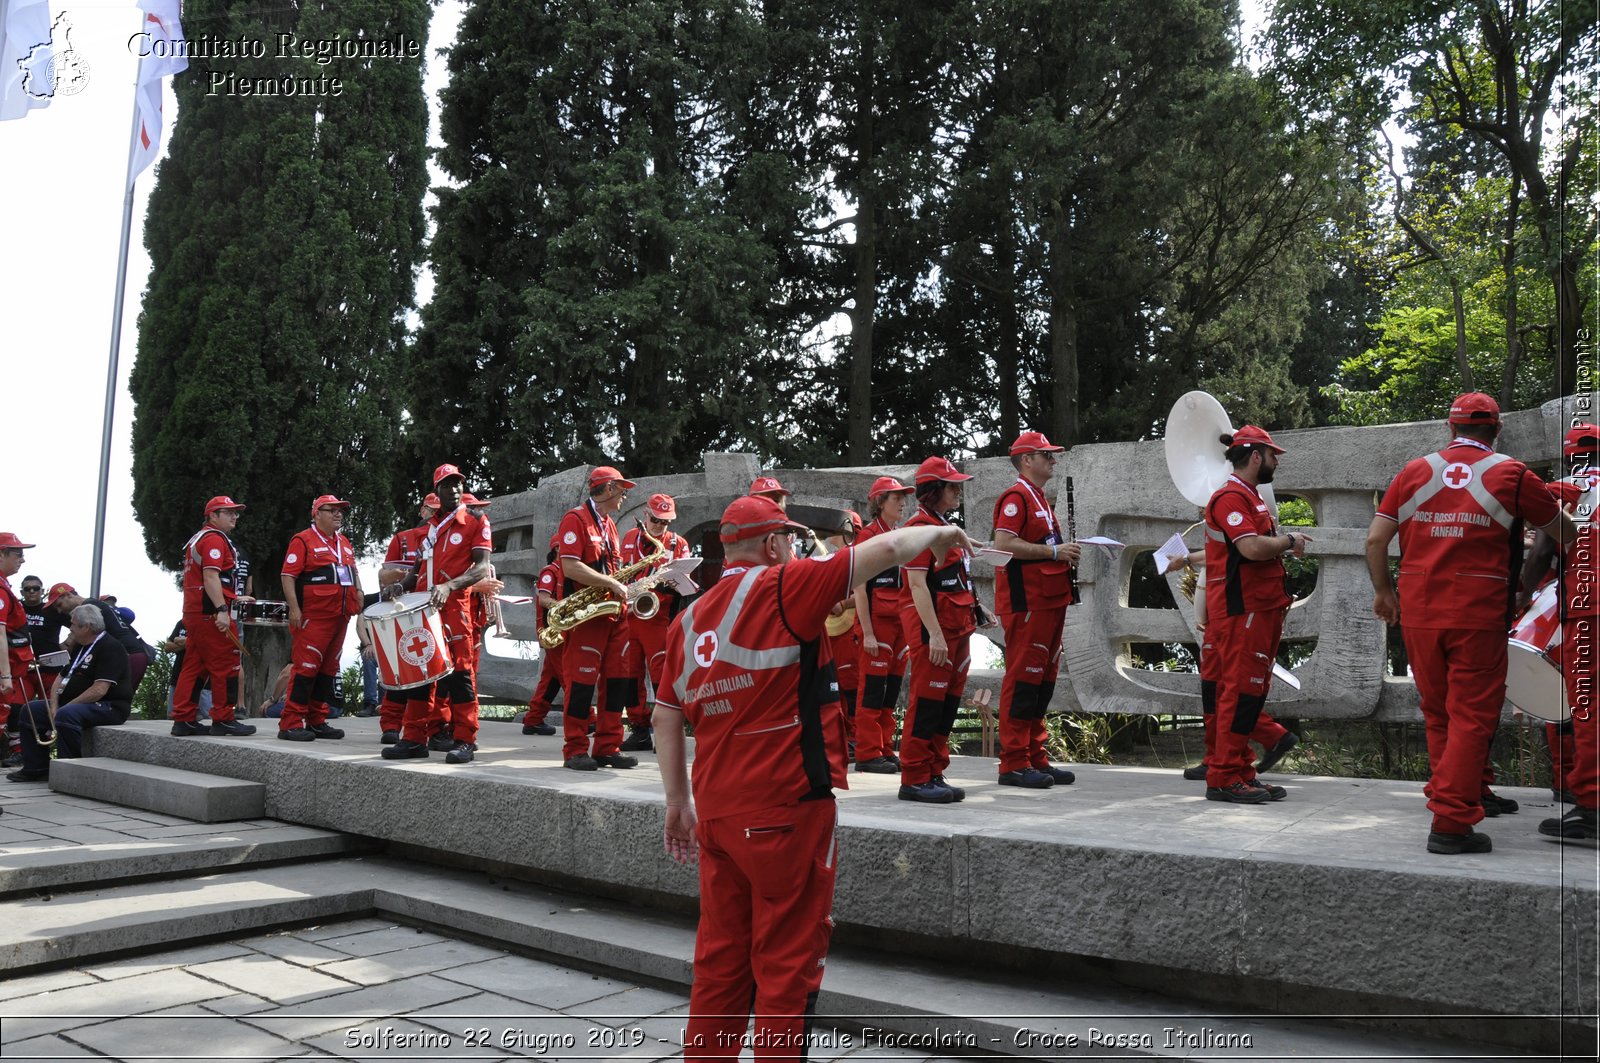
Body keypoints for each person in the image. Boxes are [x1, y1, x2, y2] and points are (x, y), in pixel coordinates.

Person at [656, 495, 973, 1062]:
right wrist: (941, 534)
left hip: (718, 817)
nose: (795, 550)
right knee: (785, 969)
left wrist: (677, 803)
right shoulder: (783, 587)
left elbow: (665, 714)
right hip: (786, 812)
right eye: (790, 542)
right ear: (773, 544)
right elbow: (889, 547)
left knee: (720, 964)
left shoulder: (686, 621)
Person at [1366, 392, 1573, 854]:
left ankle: (1451, 796)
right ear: (1496, 429)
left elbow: (1376, 540)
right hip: (1477, 609)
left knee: (1439, 711)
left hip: (1419, 610)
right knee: (1473, 716)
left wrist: (1385, 592)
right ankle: (1451, 824)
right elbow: (1565, 533)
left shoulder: (1414, 471)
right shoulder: (1512, 474)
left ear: (1450, 427)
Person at [1201, 425, 1309, 805]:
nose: (1277, 461)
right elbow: (1249, 548)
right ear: (1257, 456)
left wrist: (1281, 543)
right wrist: (1289, 541)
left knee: (1250, 693)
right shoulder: (1230, 497)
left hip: (1259, 607)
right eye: (1273, 454)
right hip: (1242, 609)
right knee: (1238, 692)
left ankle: (1240, 770)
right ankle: (1224, 776)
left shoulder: (1251, 496)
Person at [382, 465, 496, 764]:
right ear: (437, 490)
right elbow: (417, 571)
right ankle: (414, 739)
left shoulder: (475, 519)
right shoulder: (430, 527)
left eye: (458, 483)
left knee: (460, 676)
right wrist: (399, 586)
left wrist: (449, 586)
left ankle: (465, 740)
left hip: (455, 607)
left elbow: (482, 568)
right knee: (420, 674)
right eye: (448, 485)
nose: (455, 489)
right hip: (423, 608)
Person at [990, 431, 1082, 788]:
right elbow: (1004, 543)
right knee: (1024, 679)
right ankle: (1013, 762)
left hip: (1049, 598)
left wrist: (1063, 552)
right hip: (1027, 601)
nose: (1053, 460)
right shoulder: (1016, 497)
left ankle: (1034, 756)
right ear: (1026, 459)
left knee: (1042, 682)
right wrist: (1054, 553)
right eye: (1046, 455)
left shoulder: (1038, 497)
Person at [1523, 423, 1599, 842]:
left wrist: (1522, 593)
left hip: (1589, 608)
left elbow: (1545, 549)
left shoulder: (1569, 489)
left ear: (1570, 456)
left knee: (1585, 706)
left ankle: (1591, 807)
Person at [898, 456, 986, 803]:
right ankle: (915, 777)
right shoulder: (920, 528)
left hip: (956, 629)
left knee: (947, 705)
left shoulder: (943, 526)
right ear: (933, 490)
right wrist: (934, 634)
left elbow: (954, 581)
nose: (958, 491)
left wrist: (979, 609)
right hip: (934, 633)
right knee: (928, 703)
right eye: (952, 486)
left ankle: (933, 770)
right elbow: (918, 586)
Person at [555, 465, 639, 772]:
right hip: (588, 617)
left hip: (614, 614)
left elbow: (611, 569)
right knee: (581, 685)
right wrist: (610, 583)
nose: (624, 498)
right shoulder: (574, 519)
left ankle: (608, 747)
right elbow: (570, 567)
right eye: (621, 491)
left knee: (616, 683)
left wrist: (625, 585)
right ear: (606, 490)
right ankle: (575, 749)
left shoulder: (610, 525)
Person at [9, 604, 132, 782]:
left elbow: (99, 690)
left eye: (73, 625)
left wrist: (65, 707)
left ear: (86, 627)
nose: (71, 629)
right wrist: (53, 705)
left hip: (109, 706)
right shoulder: (81, 645)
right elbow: (60, 677)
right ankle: (36, 767)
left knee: (67, 714)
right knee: (31, 710)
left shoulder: (111, 647)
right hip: (74, 704)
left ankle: (69, 770)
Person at [278, 495, 364, 742]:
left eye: (341, 511)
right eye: (332, 510)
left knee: (328, 670)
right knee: (306, 668)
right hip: (314, 617)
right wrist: (294, 609)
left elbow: (352, 572)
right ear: (317, 513)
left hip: (341, 616)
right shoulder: (302, 540)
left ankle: (317, 720)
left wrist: (358, 591)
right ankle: (291, 723)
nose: (339, 514)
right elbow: (287, 576)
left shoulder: (344, 542)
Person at [171, 496, 257, 736]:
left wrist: (231, 598)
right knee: (226, 664)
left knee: (194, 666)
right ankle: (223, 718)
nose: (234, 516)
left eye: (235, 512)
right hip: (210, 611)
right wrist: (221, 609)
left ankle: (183, 719)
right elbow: (211, 577)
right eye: (227, 512)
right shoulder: (215, 539)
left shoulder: (198, 538)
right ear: (212, 516)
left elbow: (206, 579)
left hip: (195, 610)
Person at [618, 492, 693, 752]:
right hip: (630, 614)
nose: (661, 527)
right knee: (629, 674)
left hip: (660, 616)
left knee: (663, 674)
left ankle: (667, 730)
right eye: (657, 521)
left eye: (666, 523)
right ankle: (639, 730)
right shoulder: (628, 538)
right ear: (646, 516)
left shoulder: (678, 543)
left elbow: (687, 581)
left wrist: (665, 581)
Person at [852, 475, 914, 773]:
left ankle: (885, 748)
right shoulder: (867, 537)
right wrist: (867, 632)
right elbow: (860, 589)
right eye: (895, 497)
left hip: (901, 623)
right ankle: (867, 753)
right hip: (877, 625)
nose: (903, 502)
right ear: (879, 503)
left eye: (904, 496)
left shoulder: (902, 534)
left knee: (891, 693)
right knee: (873, 691)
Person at [374, 493, 441, 742]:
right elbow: (385, 575)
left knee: (430, 673)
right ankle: (391, 725)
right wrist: (411, 573)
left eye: (438, 511)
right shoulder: (403, 538)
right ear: (422, 510)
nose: (434, 515)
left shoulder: (443, 538)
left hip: (431, 611)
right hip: (400, 612)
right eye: (431, 510)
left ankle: (429, 728)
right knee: (397, 668)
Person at [45, 584, 151, 697]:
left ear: (67, 595)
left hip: (130, 655)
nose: (60, 611)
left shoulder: (87, 608)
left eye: (59, 605)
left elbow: (76, 639)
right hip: (132, 654)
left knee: (113, 701)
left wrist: (63, 647)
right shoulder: (94, 604)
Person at [1, 534, 37, 778]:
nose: (22, 560)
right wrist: (4, 675)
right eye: (17, 554)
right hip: (6, 672)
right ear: (1, 554)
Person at [521, 534, 564, 736]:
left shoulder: (565, 571)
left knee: (551, 678)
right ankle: (588, 718)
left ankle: (534, 719)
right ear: (557, 549)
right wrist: (567, 607)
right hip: (553, 632)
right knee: (569, 676)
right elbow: (544, 599)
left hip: (559, 631)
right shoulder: (550, 571)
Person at [162, 620, 211, 721]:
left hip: (202, 682)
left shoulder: (210, 623)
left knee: (205, 717)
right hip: (178, 676)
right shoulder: (182, 623)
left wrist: (186, 642)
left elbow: (209, 644)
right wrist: (192, 642)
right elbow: (168, 646)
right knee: (173, 715)